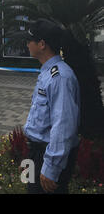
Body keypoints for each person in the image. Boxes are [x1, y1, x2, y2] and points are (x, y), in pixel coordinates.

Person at [22, 19, 80, 194]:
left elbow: (63, 125)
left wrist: (51, 169)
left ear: (41, 44)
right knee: (29, 188)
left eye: (29, 40)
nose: (26, 44)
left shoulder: (60, 77)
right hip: (34, 151)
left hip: (46, 155)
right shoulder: (47, 72)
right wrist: (27, 160)